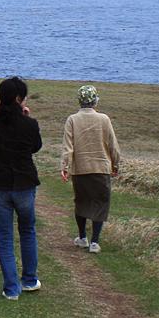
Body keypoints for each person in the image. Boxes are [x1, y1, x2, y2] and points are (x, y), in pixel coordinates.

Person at [0, 76, 42, 300]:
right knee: (27, 231)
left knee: (5, 237)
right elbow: (35, 147)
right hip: (25, 184)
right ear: (18, 99)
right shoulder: (30, 124)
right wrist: (27, 118)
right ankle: (29, 280)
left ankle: (11, 288)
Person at [61, 85, 119, 253]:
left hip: (80, 169)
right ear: (95, 100)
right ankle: (95, 241)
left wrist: (65, 166)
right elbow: (113, 146)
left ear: (80, 101)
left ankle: (82, 237)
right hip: (101, 167)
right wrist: (115, 164)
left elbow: (68, 147)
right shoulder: (104, 119)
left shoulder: (72, 119)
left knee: (82, 202)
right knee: (100, 203)